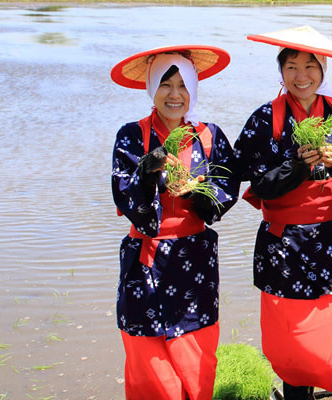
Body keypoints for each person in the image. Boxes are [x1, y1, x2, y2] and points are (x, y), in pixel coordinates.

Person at [234, 26, 332, 400]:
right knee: (291, 332)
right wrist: (297, 167)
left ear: (324, 67)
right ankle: (295, 390)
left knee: (323, 325)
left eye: (310, 65)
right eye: (292, 66)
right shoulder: (265, 118)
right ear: (280, 71)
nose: (302, 76)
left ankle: (315, 386)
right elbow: (255, 184)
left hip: (331, 237)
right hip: (283, 241)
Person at [110, 45, 239, 399]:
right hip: (145, 260)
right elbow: (126, 199)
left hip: (194, 260)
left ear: (194, 89)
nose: (175, 94)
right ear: (152, 87)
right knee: (150, 365)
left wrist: (194, 192)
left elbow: (225, 195)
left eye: (183, 85)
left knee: (195, 360)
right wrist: (149, 175)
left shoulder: (209, 136)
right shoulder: (131, 137)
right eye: (166, 84)